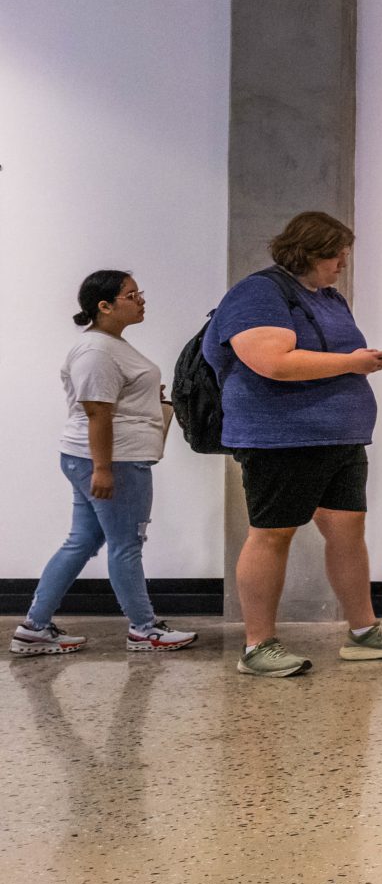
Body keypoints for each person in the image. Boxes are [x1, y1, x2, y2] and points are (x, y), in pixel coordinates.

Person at [211, 211, 382, 679]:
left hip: (339, 438)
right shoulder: (260, 292)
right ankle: (257, 645)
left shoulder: (328, 298)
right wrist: (352, 364)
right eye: (336, 252)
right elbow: (272, 362)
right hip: (282, 439)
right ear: (307, 249)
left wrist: (357, 363)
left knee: (348, 532)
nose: (343, 261)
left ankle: (364, 632)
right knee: (272, 535)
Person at [12, 272, 196, 656]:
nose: (141, 299)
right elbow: (97, 412)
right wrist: (103, 469)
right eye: (131, 295)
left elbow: (115, 400)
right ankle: (144, 629)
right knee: (126, 544)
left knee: (82, 541)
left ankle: (34, 628)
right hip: (115, 460)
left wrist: (147, 396)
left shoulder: (111, 345)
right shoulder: (97, 351)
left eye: (139, 292)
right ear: (105, 306)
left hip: (107, 458)